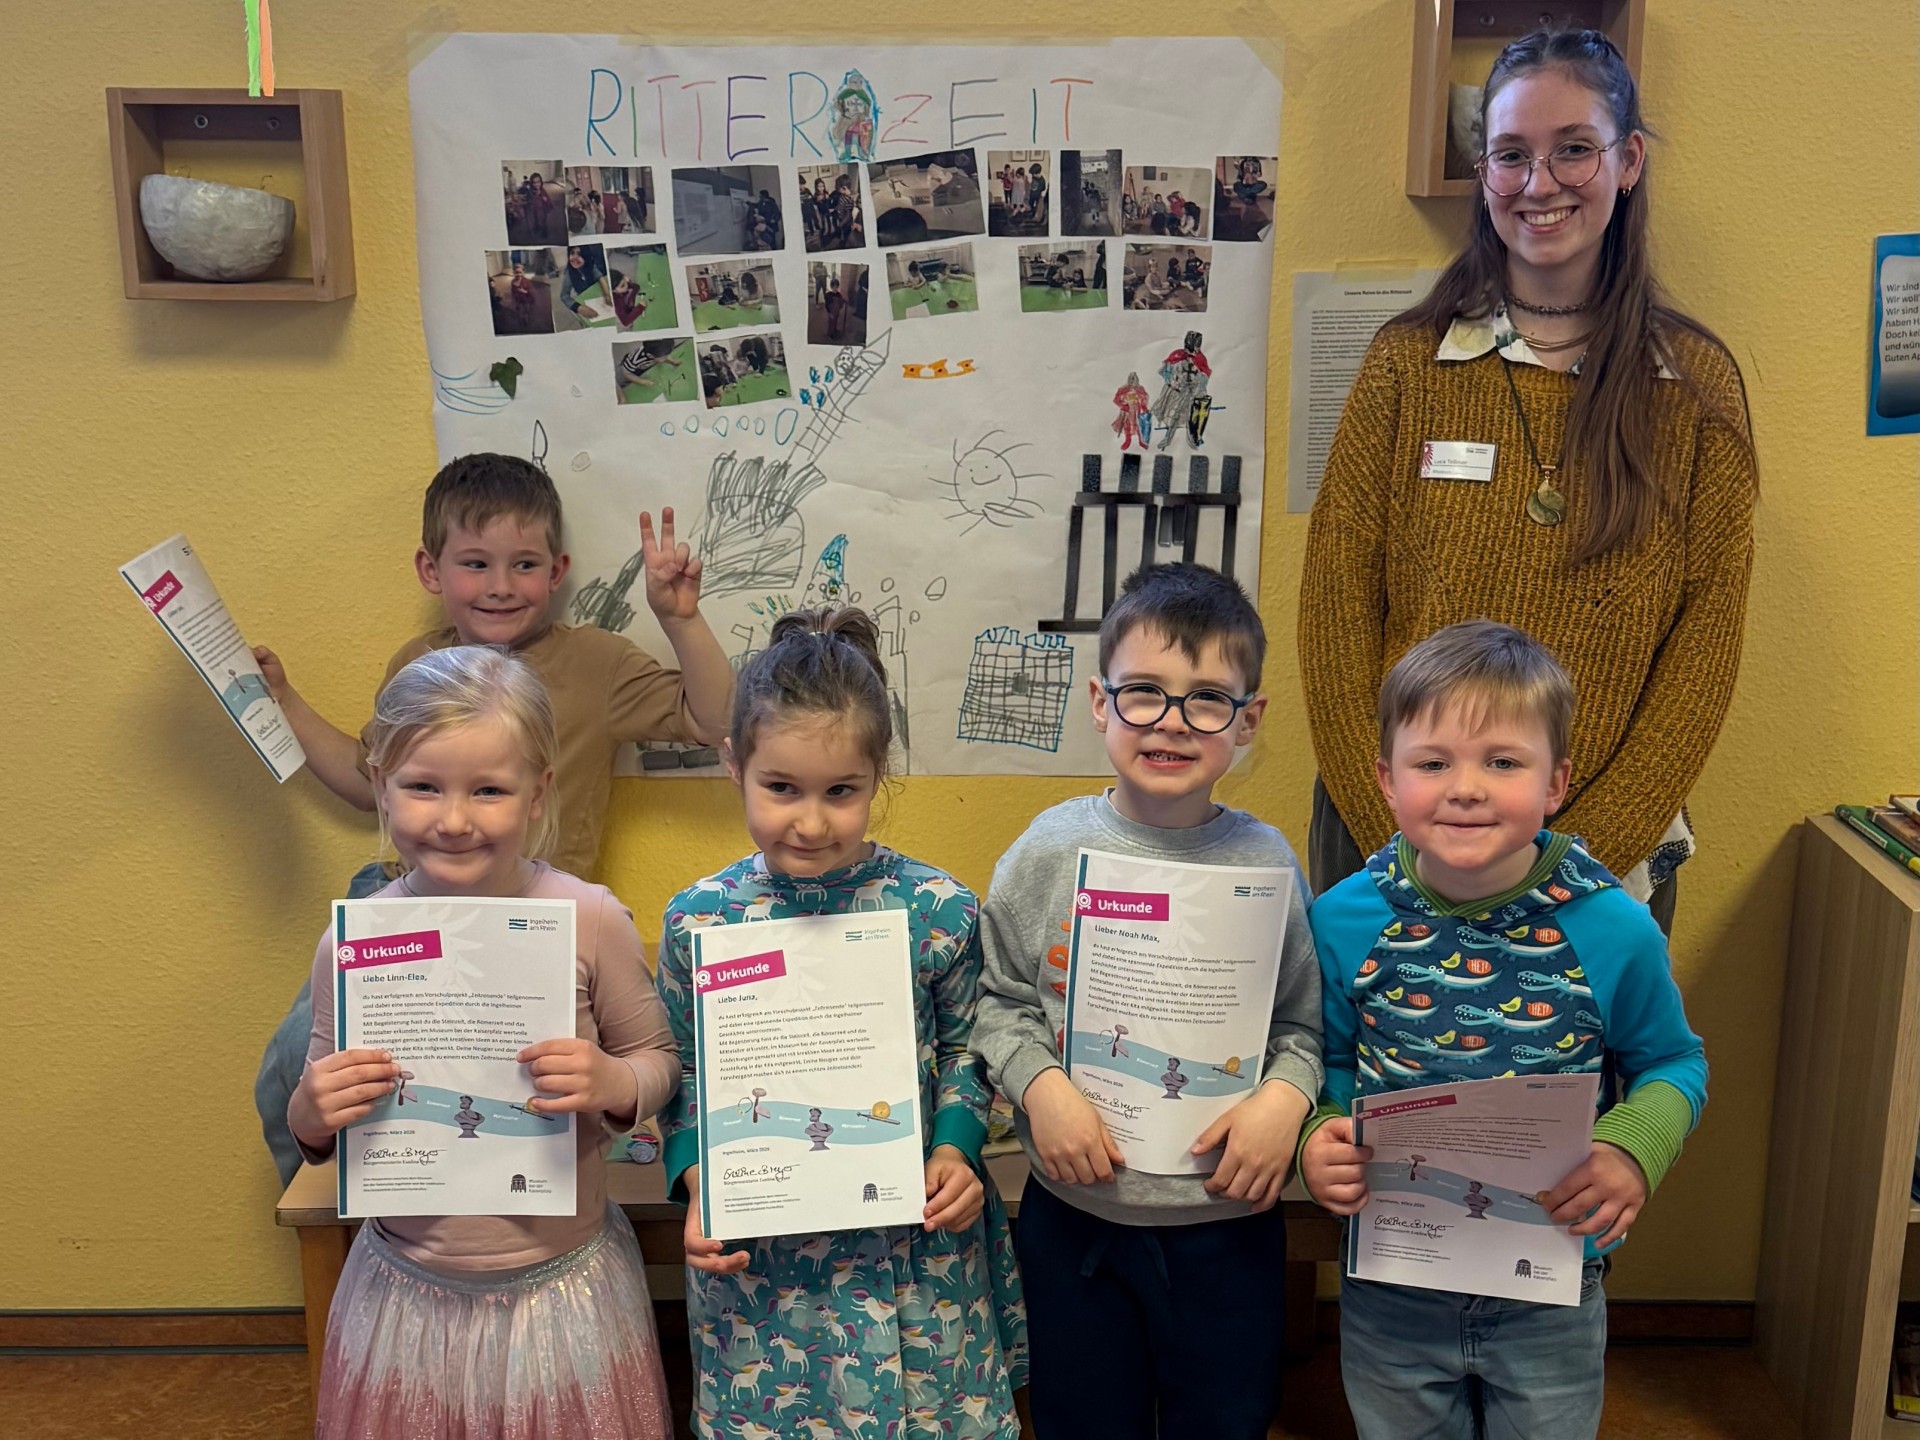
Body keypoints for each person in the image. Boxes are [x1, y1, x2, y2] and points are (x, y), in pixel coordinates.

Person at [1298, 28, 1757, 932]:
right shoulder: (1405, 364)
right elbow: (1335, 615)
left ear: (1628, 162)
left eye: (1573, 149)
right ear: (1485, 173)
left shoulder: (1695, 388)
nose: (1539, 183)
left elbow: (1702, 652)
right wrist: (1409, 843)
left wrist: (1564, 871)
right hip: (1391, 853)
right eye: (1511, 154)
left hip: (1600, 876)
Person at [250, 455, 733, 1185]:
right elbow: (363, 781)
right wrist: (283, 700)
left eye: (524, 564)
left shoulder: (596, 663)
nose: (501, 585)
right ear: (431, 570)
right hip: (407, 906)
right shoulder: (418, 663)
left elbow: (716, 720)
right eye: (476, 563)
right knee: (293, 1069)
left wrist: (680, 619)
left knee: (524, 1089)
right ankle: (343, 1212)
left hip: (531, 919)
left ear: (557, 571)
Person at [1299, 620, 1706, 1440]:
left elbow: (1674, 1063)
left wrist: (1631, 1148)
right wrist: (1318, 1135)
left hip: (1551, 1287)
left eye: (1503, 762)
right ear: (1386, 780)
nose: (1466, 789)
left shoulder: (1613, 928)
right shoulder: (1342, 919)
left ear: (1555, 783)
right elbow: (1327, 1059)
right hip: (1392, 1282)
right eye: (1433, 763)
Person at [289, 646, 679, 1439]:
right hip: (406, 1296)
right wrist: (313, 1108)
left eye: (489, 790)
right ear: (380, 786)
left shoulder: (590, 918)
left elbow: (661, 1063)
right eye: (423, 786)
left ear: (538, 794)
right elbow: (313, 1118)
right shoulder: (354, 942)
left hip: (562, 1293)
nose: (455, 819)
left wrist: (613, 1082)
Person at [657, 607, 1028, 1437]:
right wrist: (697, 1182)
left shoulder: (936, 908)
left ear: (878, 774)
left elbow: (969, 1047)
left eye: (841, 792)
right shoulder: (700, 921)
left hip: (915, 1251)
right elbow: (682, 1065)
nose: (811, 821)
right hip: (764, 1268)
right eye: (781, 788)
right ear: (733, 763)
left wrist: (955, 1149)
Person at [973, 563, 1323, 1440]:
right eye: (1144, 693)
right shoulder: (1048, 851)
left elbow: (1301, 1023)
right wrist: (1039, 1088)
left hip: (1227, 1225)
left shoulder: (1269, 862)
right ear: (1100, 703)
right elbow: (998, 999)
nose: (1171, 721)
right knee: (1082, 1421)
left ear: (1248, 720)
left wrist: (1286, 1099)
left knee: (1227, 1421)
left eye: (1207, 699)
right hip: (1075, 1218)